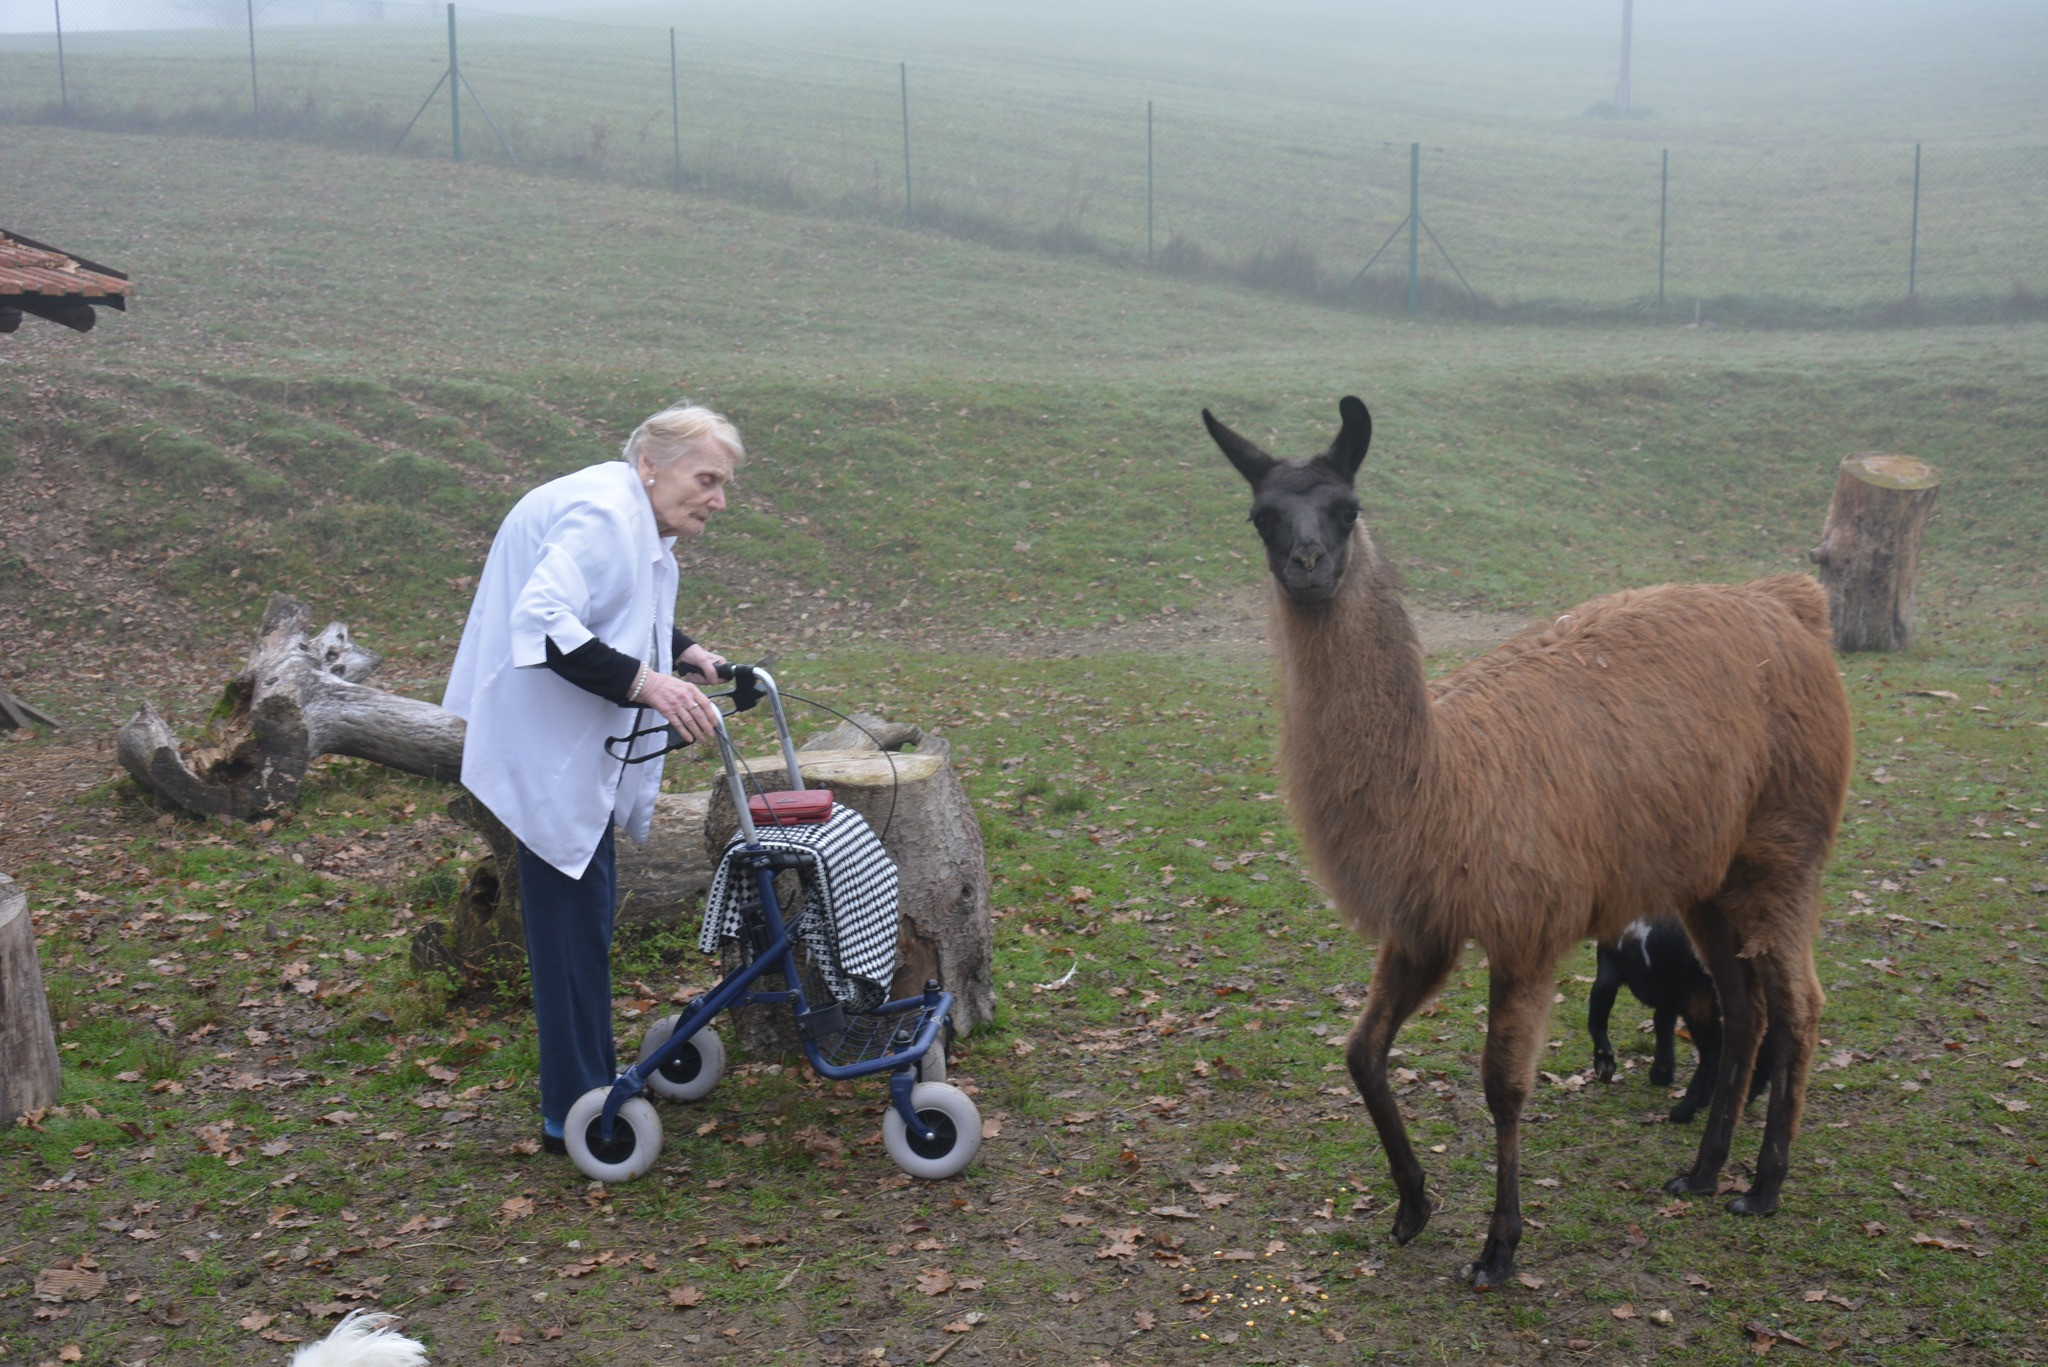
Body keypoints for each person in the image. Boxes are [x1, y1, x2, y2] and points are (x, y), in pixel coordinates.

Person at [442, 403, 743, 1153]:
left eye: (723, 484)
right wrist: (649, 684)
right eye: (706, 479)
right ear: (652, 463)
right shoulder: (606, 514)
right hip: (545, 740)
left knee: (585, 911)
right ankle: (573, 1106)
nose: (718, 499)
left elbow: (615, 604)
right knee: (571, 924)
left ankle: (581, 1082)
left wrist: (686, 651)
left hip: (564, 736)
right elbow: (545, 621)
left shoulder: (623, 511)